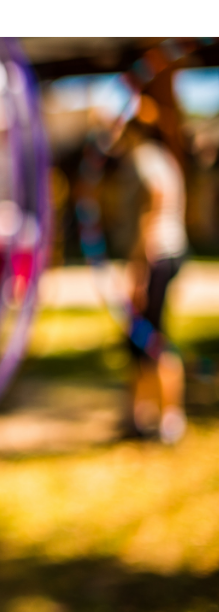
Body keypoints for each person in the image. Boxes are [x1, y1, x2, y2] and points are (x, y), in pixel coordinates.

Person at [114, 97, 188, 444]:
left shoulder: (144, 158)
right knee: (143, 337)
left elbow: (153, 206)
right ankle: (142, 414)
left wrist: (139, 269)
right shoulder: (165, 158)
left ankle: (166, 417)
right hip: (171, 251)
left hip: (155, 255)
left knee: (149, 337)